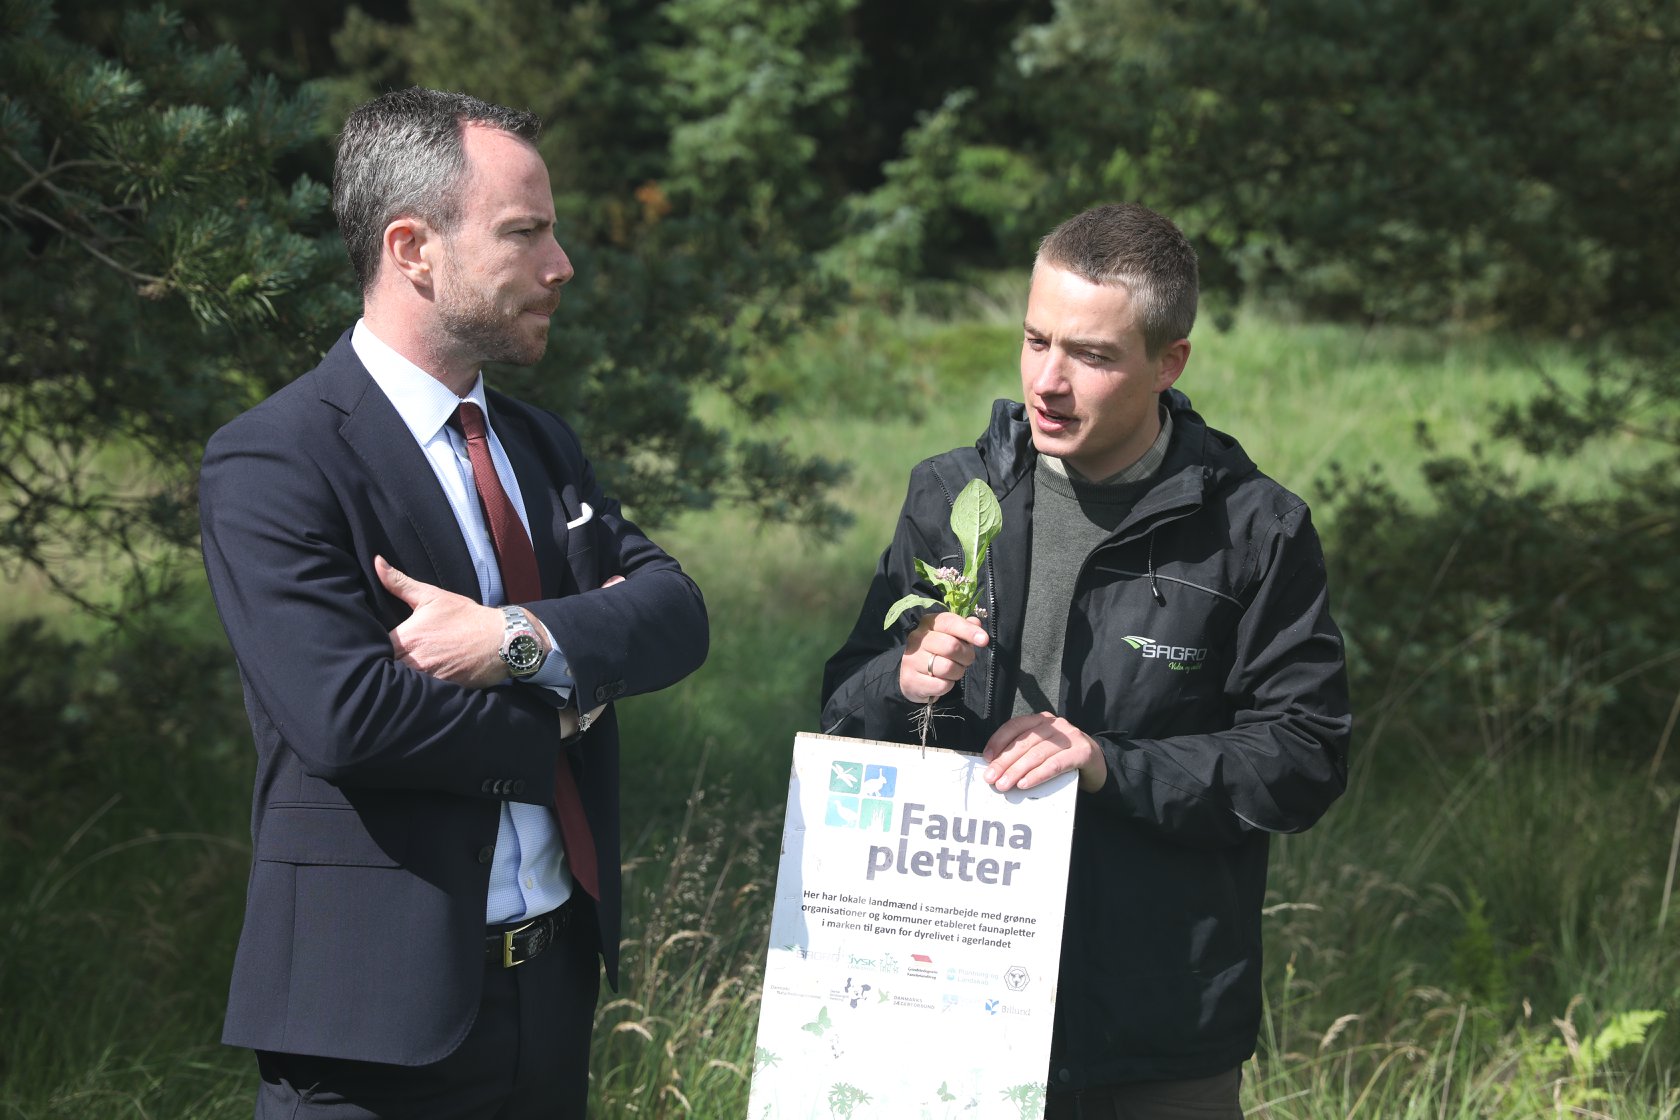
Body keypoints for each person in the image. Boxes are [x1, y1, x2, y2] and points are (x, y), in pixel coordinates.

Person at [199, 87, 709, 1119]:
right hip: (367, 1032)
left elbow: (674, 614)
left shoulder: (540, 444)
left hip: (551, 994)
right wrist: (565, 703)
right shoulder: (275, 459)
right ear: (412, 249)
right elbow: (350, 717)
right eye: (525, 233)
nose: (562, 265)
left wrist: (514, 639)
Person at [820, 202, 1350, 1118]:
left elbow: (1303, 756)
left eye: (1092, 356)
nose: (1048, 382)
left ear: (1170, 361)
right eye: (1036, 341)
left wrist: (1108, 765)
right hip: (944, 996)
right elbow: (842, 710)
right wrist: (899, 682)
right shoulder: (952, 494)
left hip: (1153, 1026)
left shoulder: (1254, 529)